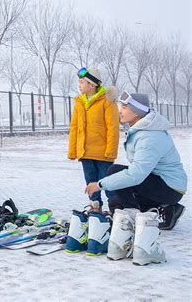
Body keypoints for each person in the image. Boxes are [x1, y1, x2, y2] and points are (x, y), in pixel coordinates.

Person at [86, 92, 187, 230]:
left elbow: (135, 175)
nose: (120, 110)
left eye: (125, 107)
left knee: (114, 171)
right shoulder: (142, 129)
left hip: (169, 187)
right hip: (160, 184)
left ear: (136, 112)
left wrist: (99, 185)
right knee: (116, 204)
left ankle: (133, 217)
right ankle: (169, 210)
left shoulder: (149, 137)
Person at [68, 67, 120, 212]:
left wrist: (111, 150)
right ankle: (95, 205)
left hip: (103, 153)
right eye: (79, 82)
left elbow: (113, 128)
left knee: (107, 181)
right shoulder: (79, 102)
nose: (79, 85)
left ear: (92, 85)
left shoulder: (107, 101)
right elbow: (74, 127)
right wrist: (73, 150)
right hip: (85, 153)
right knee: (90, 181)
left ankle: (116, 208)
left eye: (82, 82)